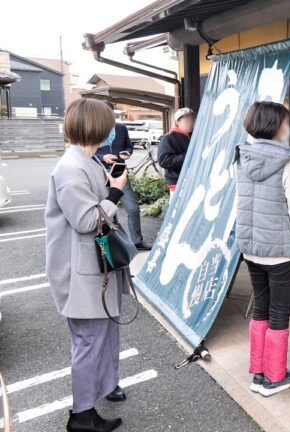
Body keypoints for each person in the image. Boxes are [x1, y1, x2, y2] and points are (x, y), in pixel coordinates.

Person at [45, 99, 130, 432]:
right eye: (108, 123)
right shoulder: (70, 168)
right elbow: (85, 219)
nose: (112, 128)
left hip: (96, 268)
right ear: (97, 126)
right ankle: (81, 414)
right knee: (89, 341)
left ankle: (107, 386)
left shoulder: (86, 160)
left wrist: (109, 184)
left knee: (104, 334)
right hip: (82, 273)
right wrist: (115, 193)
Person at [235, 101, 290, 397]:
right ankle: (274, 377)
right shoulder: (288, 162)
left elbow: (240, 204)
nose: (288, 126)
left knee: (261, 307)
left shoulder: (241, 156)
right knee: (280, 311)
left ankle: (258, 373)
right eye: (286, 121)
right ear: (276, 126)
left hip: (251, 248)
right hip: (281, 251)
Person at [95, 105, 151, 251]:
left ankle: (137, 241)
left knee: (132, 207)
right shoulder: (95, 128)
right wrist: (103, 156)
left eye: (111, 113)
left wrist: (126, 152)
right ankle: (112, 242)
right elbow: (91, 151)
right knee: (107, 209)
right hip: (101, 172)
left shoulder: (121, 128)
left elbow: (128, 145)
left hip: (119, 171)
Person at [158, 107, 195, 195]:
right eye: (187, 120)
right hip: (178, 184)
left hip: (192, 181)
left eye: (192, 119)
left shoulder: (193, 136)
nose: (190, 123)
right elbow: (164, 161)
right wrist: (188, 157)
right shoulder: (168, 138)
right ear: (177, 122)